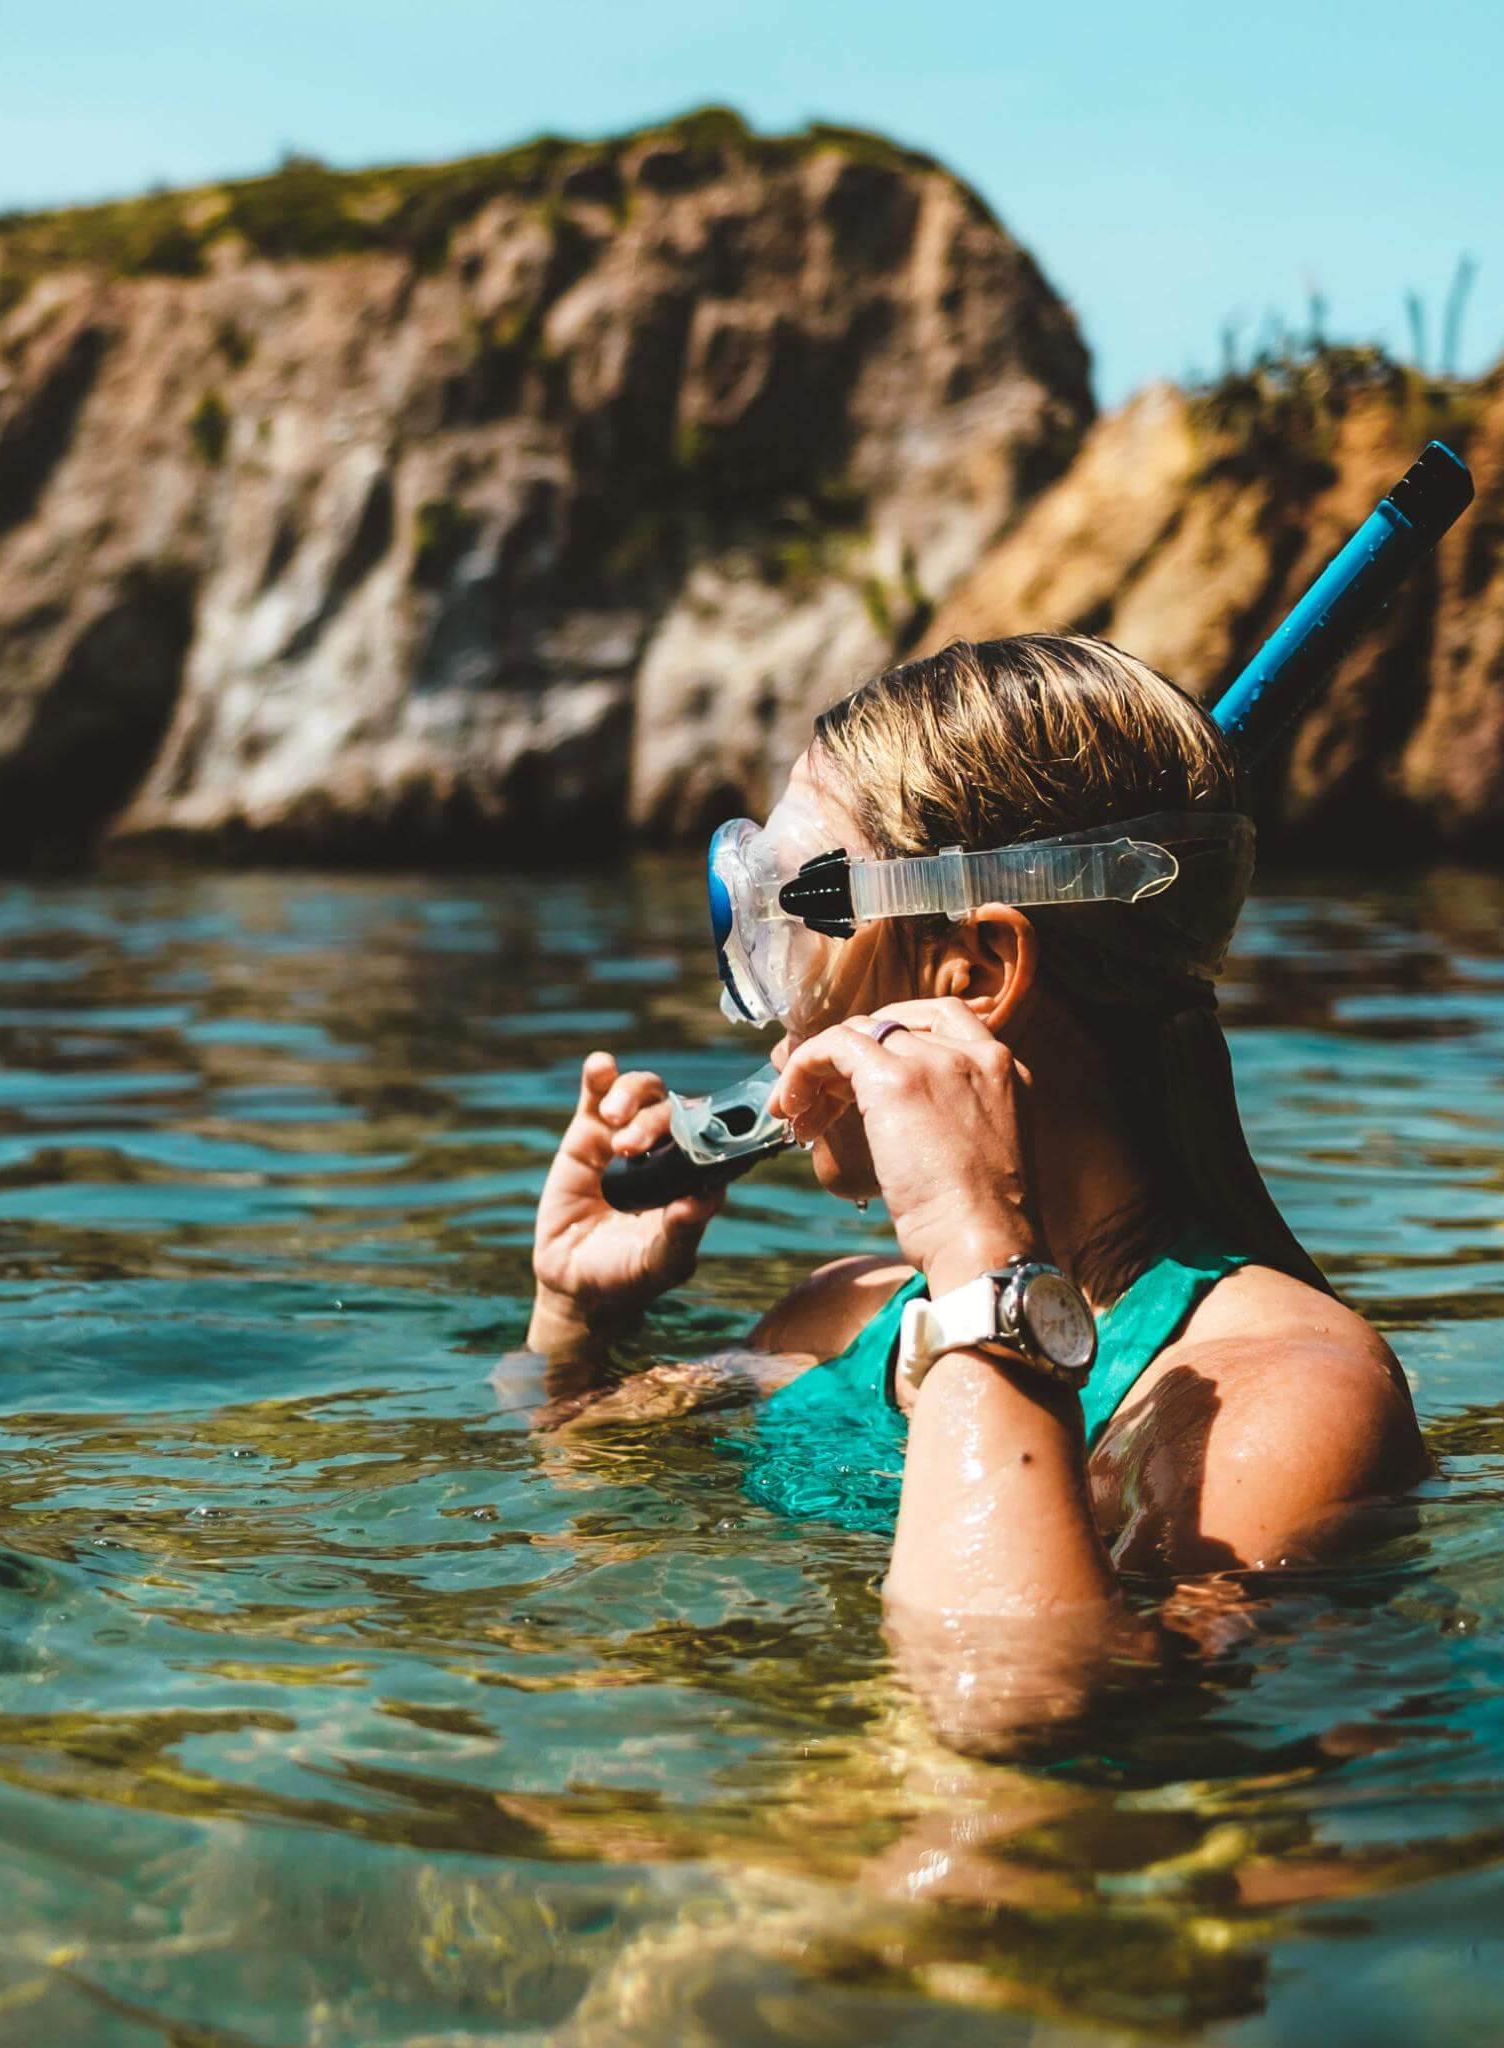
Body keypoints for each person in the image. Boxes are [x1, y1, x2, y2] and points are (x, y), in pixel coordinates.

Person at [526, 636, 1427, 1749]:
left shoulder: (1276, 1406)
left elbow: (1012, 1711)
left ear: (975, 975)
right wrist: (575, 1322)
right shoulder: (836, 1315)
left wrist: (980, 1271)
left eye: (792, 934)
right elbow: (555, 1485)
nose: (778, 1013)